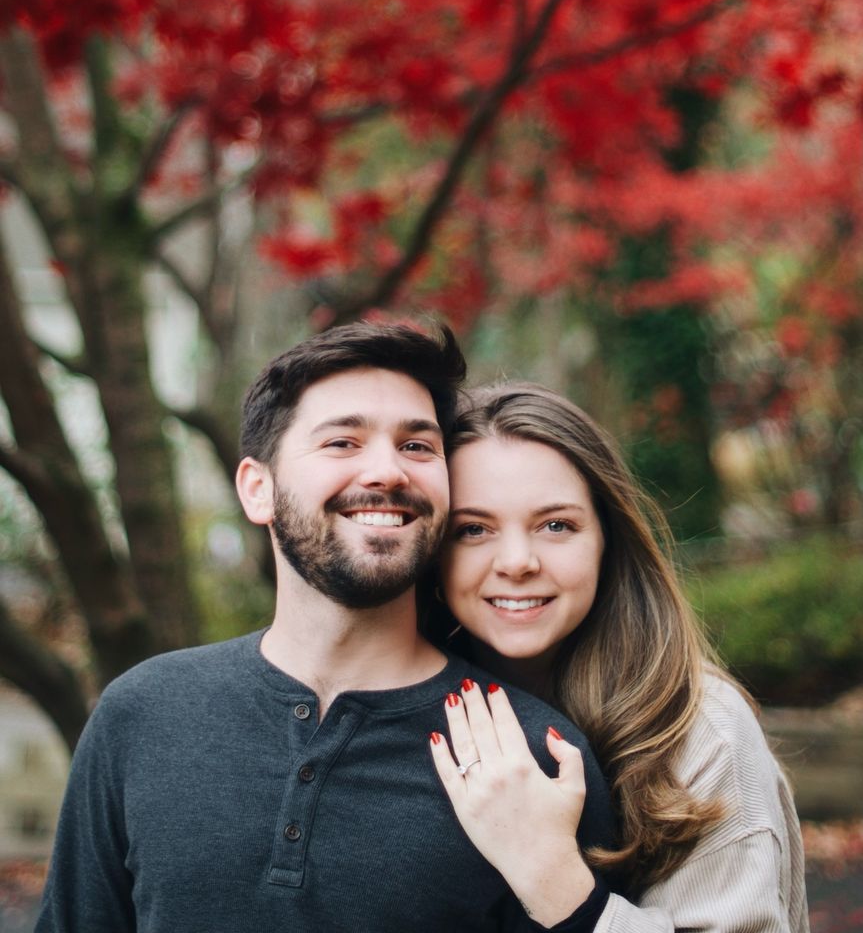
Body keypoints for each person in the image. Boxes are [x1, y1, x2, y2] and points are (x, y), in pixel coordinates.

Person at [36, 324, 618, 933]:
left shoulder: (536, 756)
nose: (388, 471)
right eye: (343, 442)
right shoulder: (142, 714)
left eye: (418, 447)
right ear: (258, 489)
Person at [426, 382, 809, 932]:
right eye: (473, 529)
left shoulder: (702, 731)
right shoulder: (401, 697)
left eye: (556, 525)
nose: (516, 561)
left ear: (608, 539)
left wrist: (554, 877)